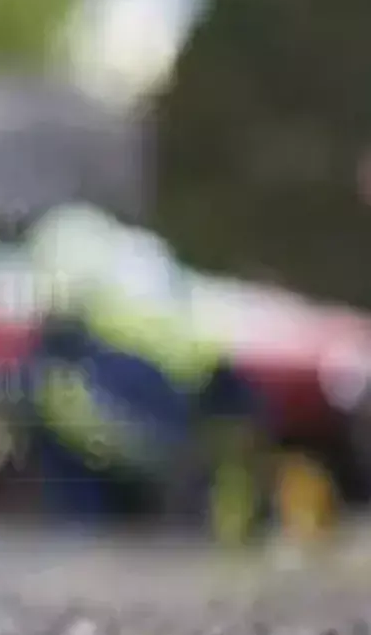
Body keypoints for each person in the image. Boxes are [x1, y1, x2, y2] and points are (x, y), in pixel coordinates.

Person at [20, 208, 269, 539]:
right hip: (163, 451)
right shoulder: (172, 305)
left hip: (130, 453)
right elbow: (235, 402)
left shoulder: (74, 332)